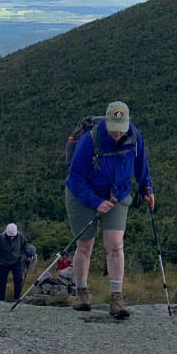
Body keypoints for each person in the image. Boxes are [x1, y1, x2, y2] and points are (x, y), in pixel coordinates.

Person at [65, 100, 154, 319]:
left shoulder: (134, 137)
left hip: (117, 195)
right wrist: (96, 202)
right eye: (114, 129)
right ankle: (81, 293)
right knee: (85, 245)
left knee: (115, 245)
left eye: (121, 129)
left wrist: (147, 188)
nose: (117, 134)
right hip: (82, 196)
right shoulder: (90, 140)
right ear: (106, 121)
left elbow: (141, 164)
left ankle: (116, 298)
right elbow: (75, 178)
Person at [0, 223, 36, 301]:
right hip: (1, 263)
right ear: (6, 233)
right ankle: (0, 300)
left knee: (18, 280)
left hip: (16, 261)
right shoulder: (0, 237)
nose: (12, 237)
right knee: (2, 283)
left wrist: (29, 254)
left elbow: (25, 246)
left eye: (13, 236)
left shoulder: (21, 236)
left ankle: (17, 298)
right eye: (10, 236)